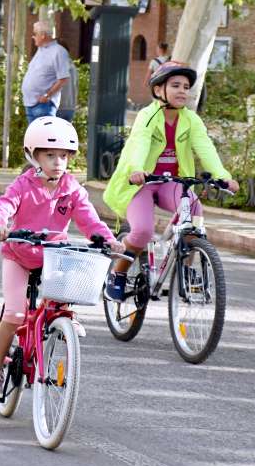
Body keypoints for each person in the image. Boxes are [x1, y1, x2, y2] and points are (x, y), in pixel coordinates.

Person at [0, 118, 122, 399]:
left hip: (54, 257)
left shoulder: (73, 190)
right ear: (34, 156)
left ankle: (61, 324)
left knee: (65, 294)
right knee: (15, 313)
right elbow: (3, 206)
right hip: (18, 255)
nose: (58, 162)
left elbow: (90, 221)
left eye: (64, 156)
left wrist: (108, 239)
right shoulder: (22, 186)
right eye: (50, 155)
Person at [101, 61, 239, 301]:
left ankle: (185, 269)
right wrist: (136, 169)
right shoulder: (147, 115)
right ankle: (118, 273)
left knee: (193, 209)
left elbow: (205, 147)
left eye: (186, 86)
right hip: (141, 183)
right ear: (158, 90)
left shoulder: (191, 120)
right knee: (143, 232)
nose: (182, 91)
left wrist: (222, 175)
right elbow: (140, 144)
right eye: (175, 85)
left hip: (172, 181)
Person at [21, 21, 71, 123]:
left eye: (35, 34)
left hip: (44, 105)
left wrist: (47, 95)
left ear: (43, 36)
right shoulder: (40, 50)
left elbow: (63, 78)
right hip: (30, 104)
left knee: (44, 138)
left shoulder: (59, 51)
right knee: (34, 138)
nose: (33, 37)